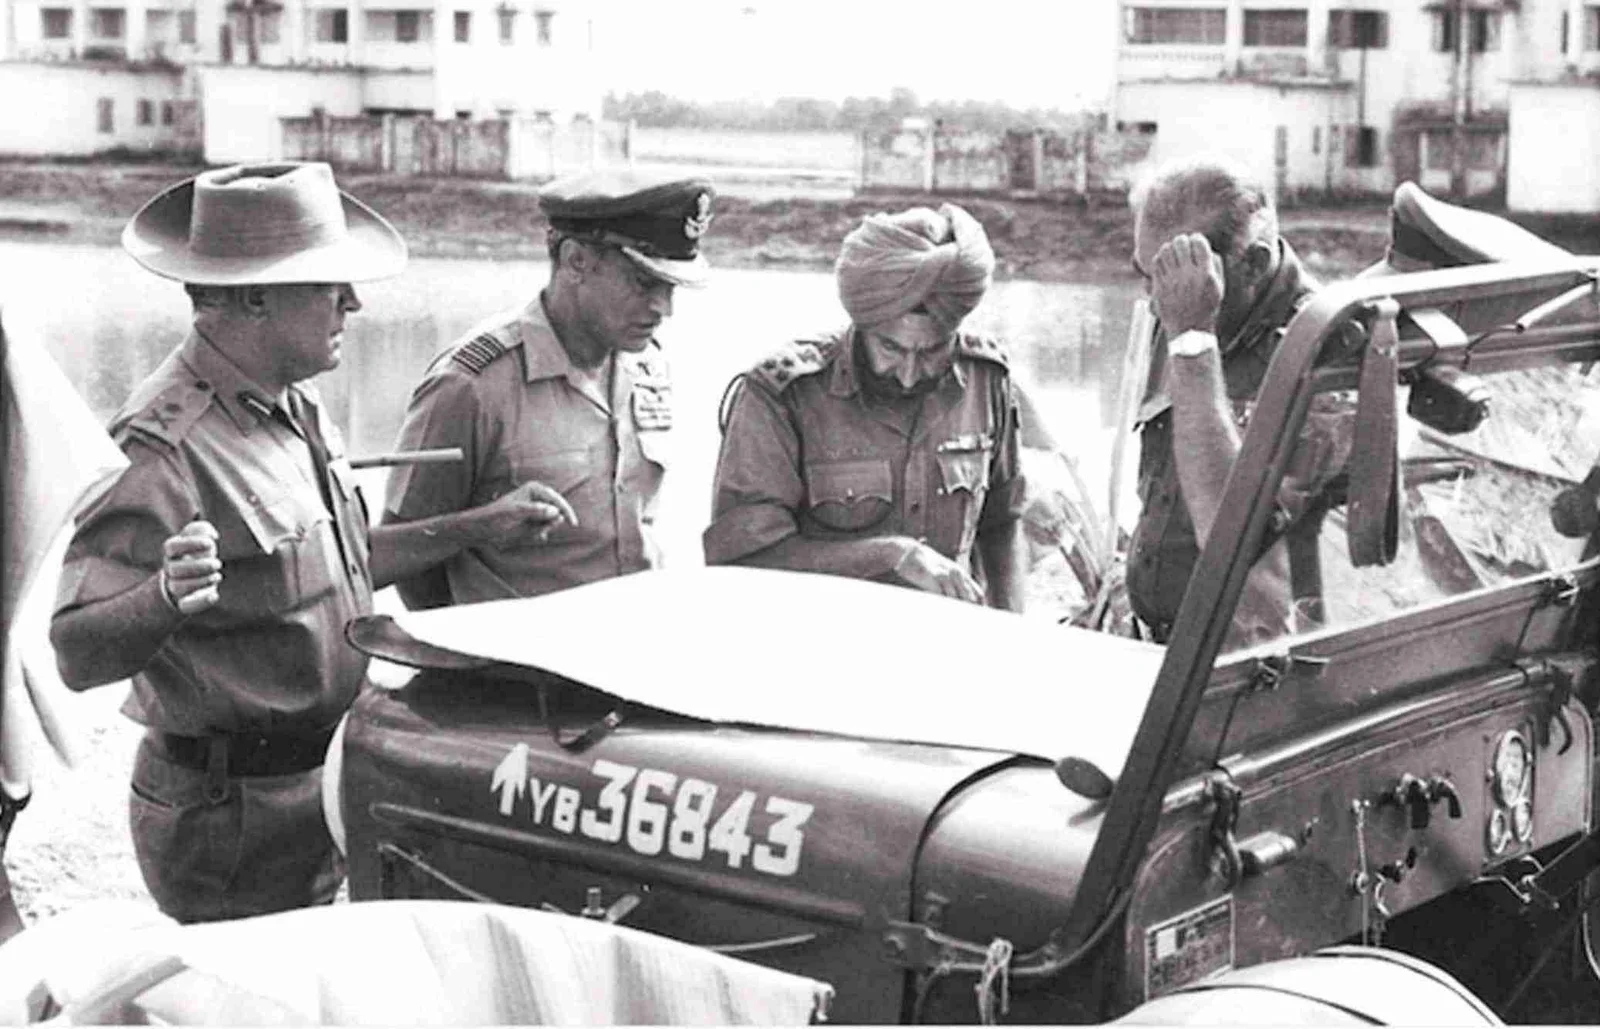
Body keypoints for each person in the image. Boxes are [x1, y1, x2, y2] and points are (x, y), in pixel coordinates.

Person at [49, 162, 565, 923]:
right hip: (232, 816)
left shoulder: (295, 405)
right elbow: (75, 653)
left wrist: (479, 525)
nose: (353, 302)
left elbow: (341, 569)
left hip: (317, 784)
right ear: (255, 297)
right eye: (328, 284)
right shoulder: (163, 446)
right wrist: (162, 596)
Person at [382, 169, 715, 608]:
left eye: (670, 287)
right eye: (643, 282)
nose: (663, 308)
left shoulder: (647, 365)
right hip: (511, 651)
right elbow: (404, 555)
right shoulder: (472, 385)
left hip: (631, 639)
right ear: (576, 261)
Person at [702, 204, 1026, 611]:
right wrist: (889, 555)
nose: (909, 374)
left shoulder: (987, 379)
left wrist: (1014, 626)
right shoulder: (783, 395)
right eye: (891, 348)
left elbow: (1002, 522)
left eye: (931, 352)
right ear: (862, 325)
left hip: (948, 637)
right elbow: (741, 557)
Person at [1126, 155, 1352, 646]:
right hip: (1159, 644)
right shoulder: (1179, 303)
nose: (1156, 299)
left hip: (1248, 663)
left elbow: (1232, 536)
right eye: (1148, 274)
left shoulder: (1328, 355)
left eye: (1173, 276)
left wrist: (1192, 341)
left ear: (1252, 264)